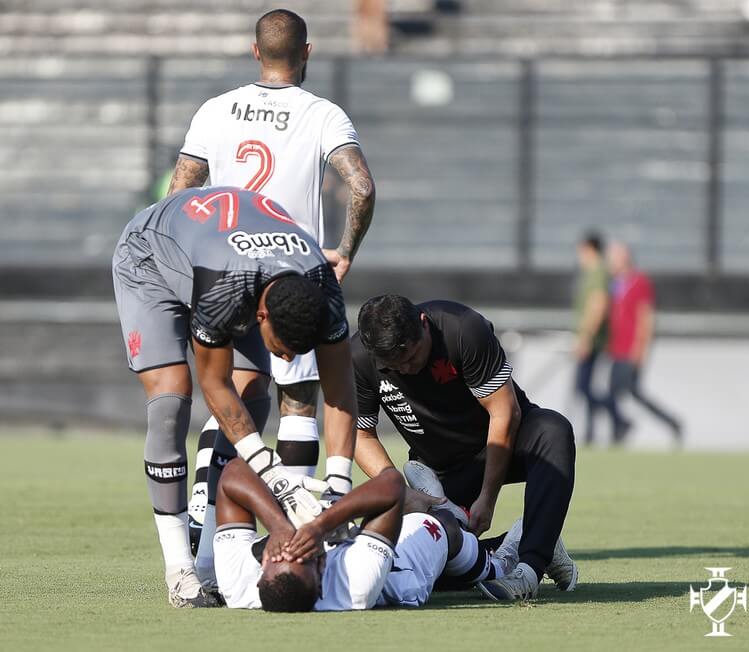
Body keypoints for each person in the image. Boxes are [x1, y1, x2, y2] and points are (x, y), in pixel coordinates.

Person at [166, 8, 376, 571]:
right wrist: (345, 249)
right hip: (292, 279)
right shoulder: (322, 113)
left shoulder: (215, 110)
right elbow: (361, 184)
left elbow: (179, 190)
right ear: (307, 52)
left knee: (234, 393)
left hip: (219, 272)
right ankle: (306, 524)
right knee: (298, 399)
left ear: (255, 51)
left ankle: (203, 517)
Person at [112, 186, 359, 608]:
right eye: (282, 347)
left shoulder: (324, 291)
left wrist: (339, 485)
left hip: (237, 258)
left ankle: (208, 560)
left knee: (253, 396)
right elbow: (214, 385)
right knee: (172, 397)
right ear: (260, 316)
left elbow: (339, 391)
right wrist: (273, 472)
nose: (287, 357)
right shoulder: (224, 292)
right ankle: (180, 571)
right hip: (151, 256)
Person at [350, 295, 577, 600]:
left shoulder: (462, 329)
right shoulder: (358, 359)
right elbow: (361, 437)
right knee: (429, 571)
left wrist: (487, 497)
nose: (405, 369)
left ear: (422, 324)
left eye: (412, 356)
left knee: (553, 431)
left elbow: (504, 413)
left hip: (506, 442)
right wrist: (401, 492)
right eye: (393, 365)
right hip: (442, 471)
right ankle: (516, 544)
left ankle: (531, 567)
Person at [213, 457, 539, 611]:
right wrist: (318, 527)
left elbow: (233, 472)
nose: (294, 546)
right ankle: (503, 557)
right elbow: (391, 485)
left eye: (281, 551)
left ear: (262, 571)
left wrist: (279, 526)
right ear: (323, 571)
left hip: (353, 546)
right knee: (444, 528)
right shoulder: (356, 583)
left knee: (372, 512)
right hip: (398, 576)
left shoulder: (238, 583)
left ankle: (427, 504)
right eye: (308, 556)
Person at [602, 242, 683, 446]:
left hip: (630, 350)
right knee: (623, 391)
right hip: (617, 348)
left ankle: (625, 427)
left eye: (614, 258)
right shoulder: (616, 284)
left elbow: (645, 318)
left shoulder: (640, 282)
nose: (610, 262)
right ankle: (623, 427)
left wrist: (640, 350)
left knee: (621, 391)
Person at [572, 231, 609, 445]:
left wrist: (585, 337)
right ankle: (591, 430)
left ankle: (616, 417)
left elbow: (598, 305)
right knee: (584, 386)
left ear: (589, 249)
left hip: (592, 340)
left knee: (583, 386)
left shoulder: (597, 273)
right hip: (590, 338)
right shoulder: (594, 273)